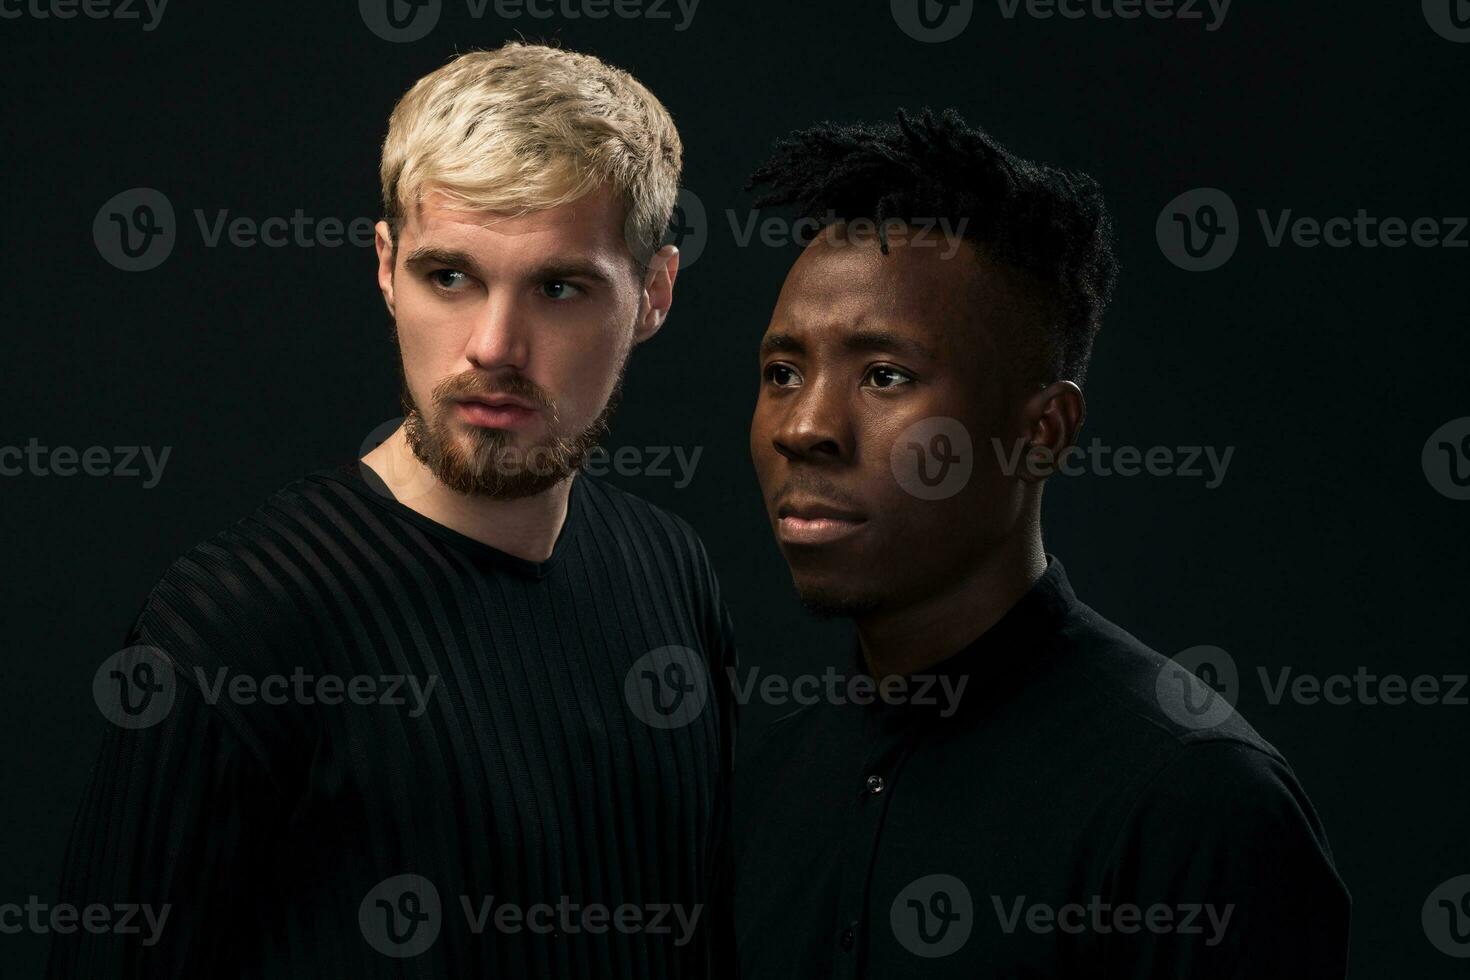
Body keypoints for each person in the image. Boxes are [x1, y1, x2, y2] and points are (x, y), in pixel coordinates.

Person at [48, 42, 735, 979]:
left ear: (653, 293)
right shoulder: (236, 626)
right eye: (449, 277)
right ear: (385, 268)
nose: (494, 347)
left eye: (559, 287)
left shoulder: (670, 571)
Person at [734, 108, 1348, 978]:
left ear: (1043, 431)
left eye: (885, 375)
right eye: (783, 373)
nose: (804, 426)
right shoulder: (754, 791)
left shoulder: (1196, 805)